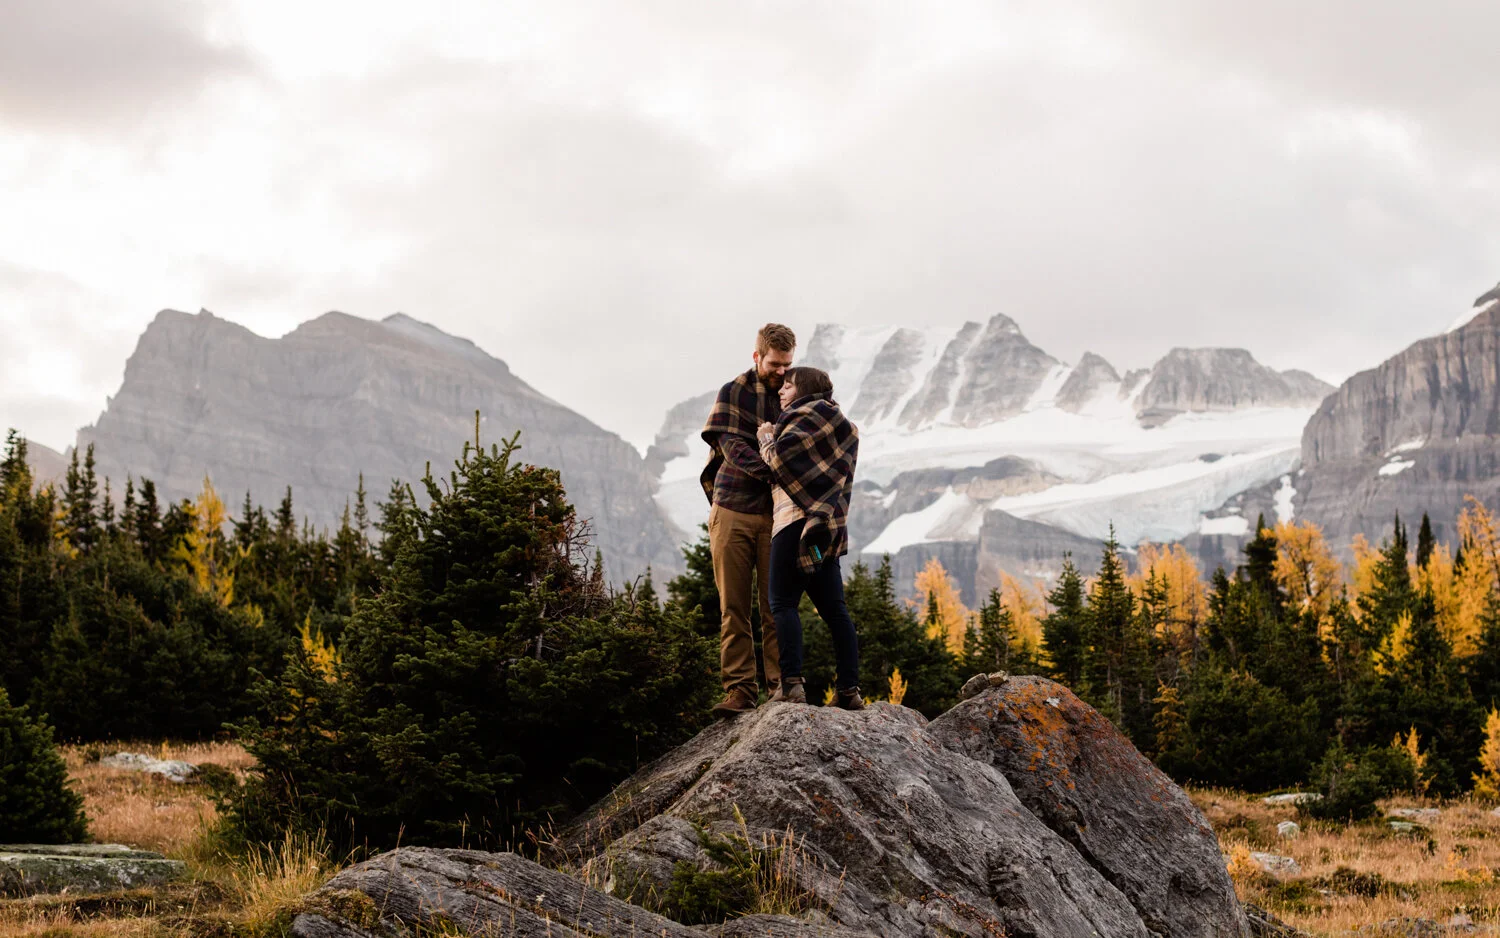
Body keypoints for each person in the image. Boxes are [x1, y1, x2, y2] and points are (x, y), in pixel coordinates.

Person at [700, 323, 796, 717]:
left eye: (787, 364)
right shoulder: (733, 391)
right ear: (757, 357)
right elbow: (732, 446)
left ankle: (780, 686)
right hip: (732, 508)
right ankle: (740, 690)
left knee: (777, 605)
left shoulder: (796, 393)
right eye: (774, 364)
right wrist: (775, 470)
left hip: (778, 516)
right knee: (734, 606)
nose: (781, 371)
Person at [756, 366, 863, 710]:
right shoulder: (845, 427)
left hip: (793, 525)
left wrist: (766, 438)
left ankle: (791, 684)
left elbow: (780, 463)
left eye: (788, 386)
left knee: (783, 603)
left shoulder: (800, 420)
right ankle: (849, 690)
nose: (781, 391)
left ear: (804, 390)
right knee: (834, 610)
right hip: (825, 531)